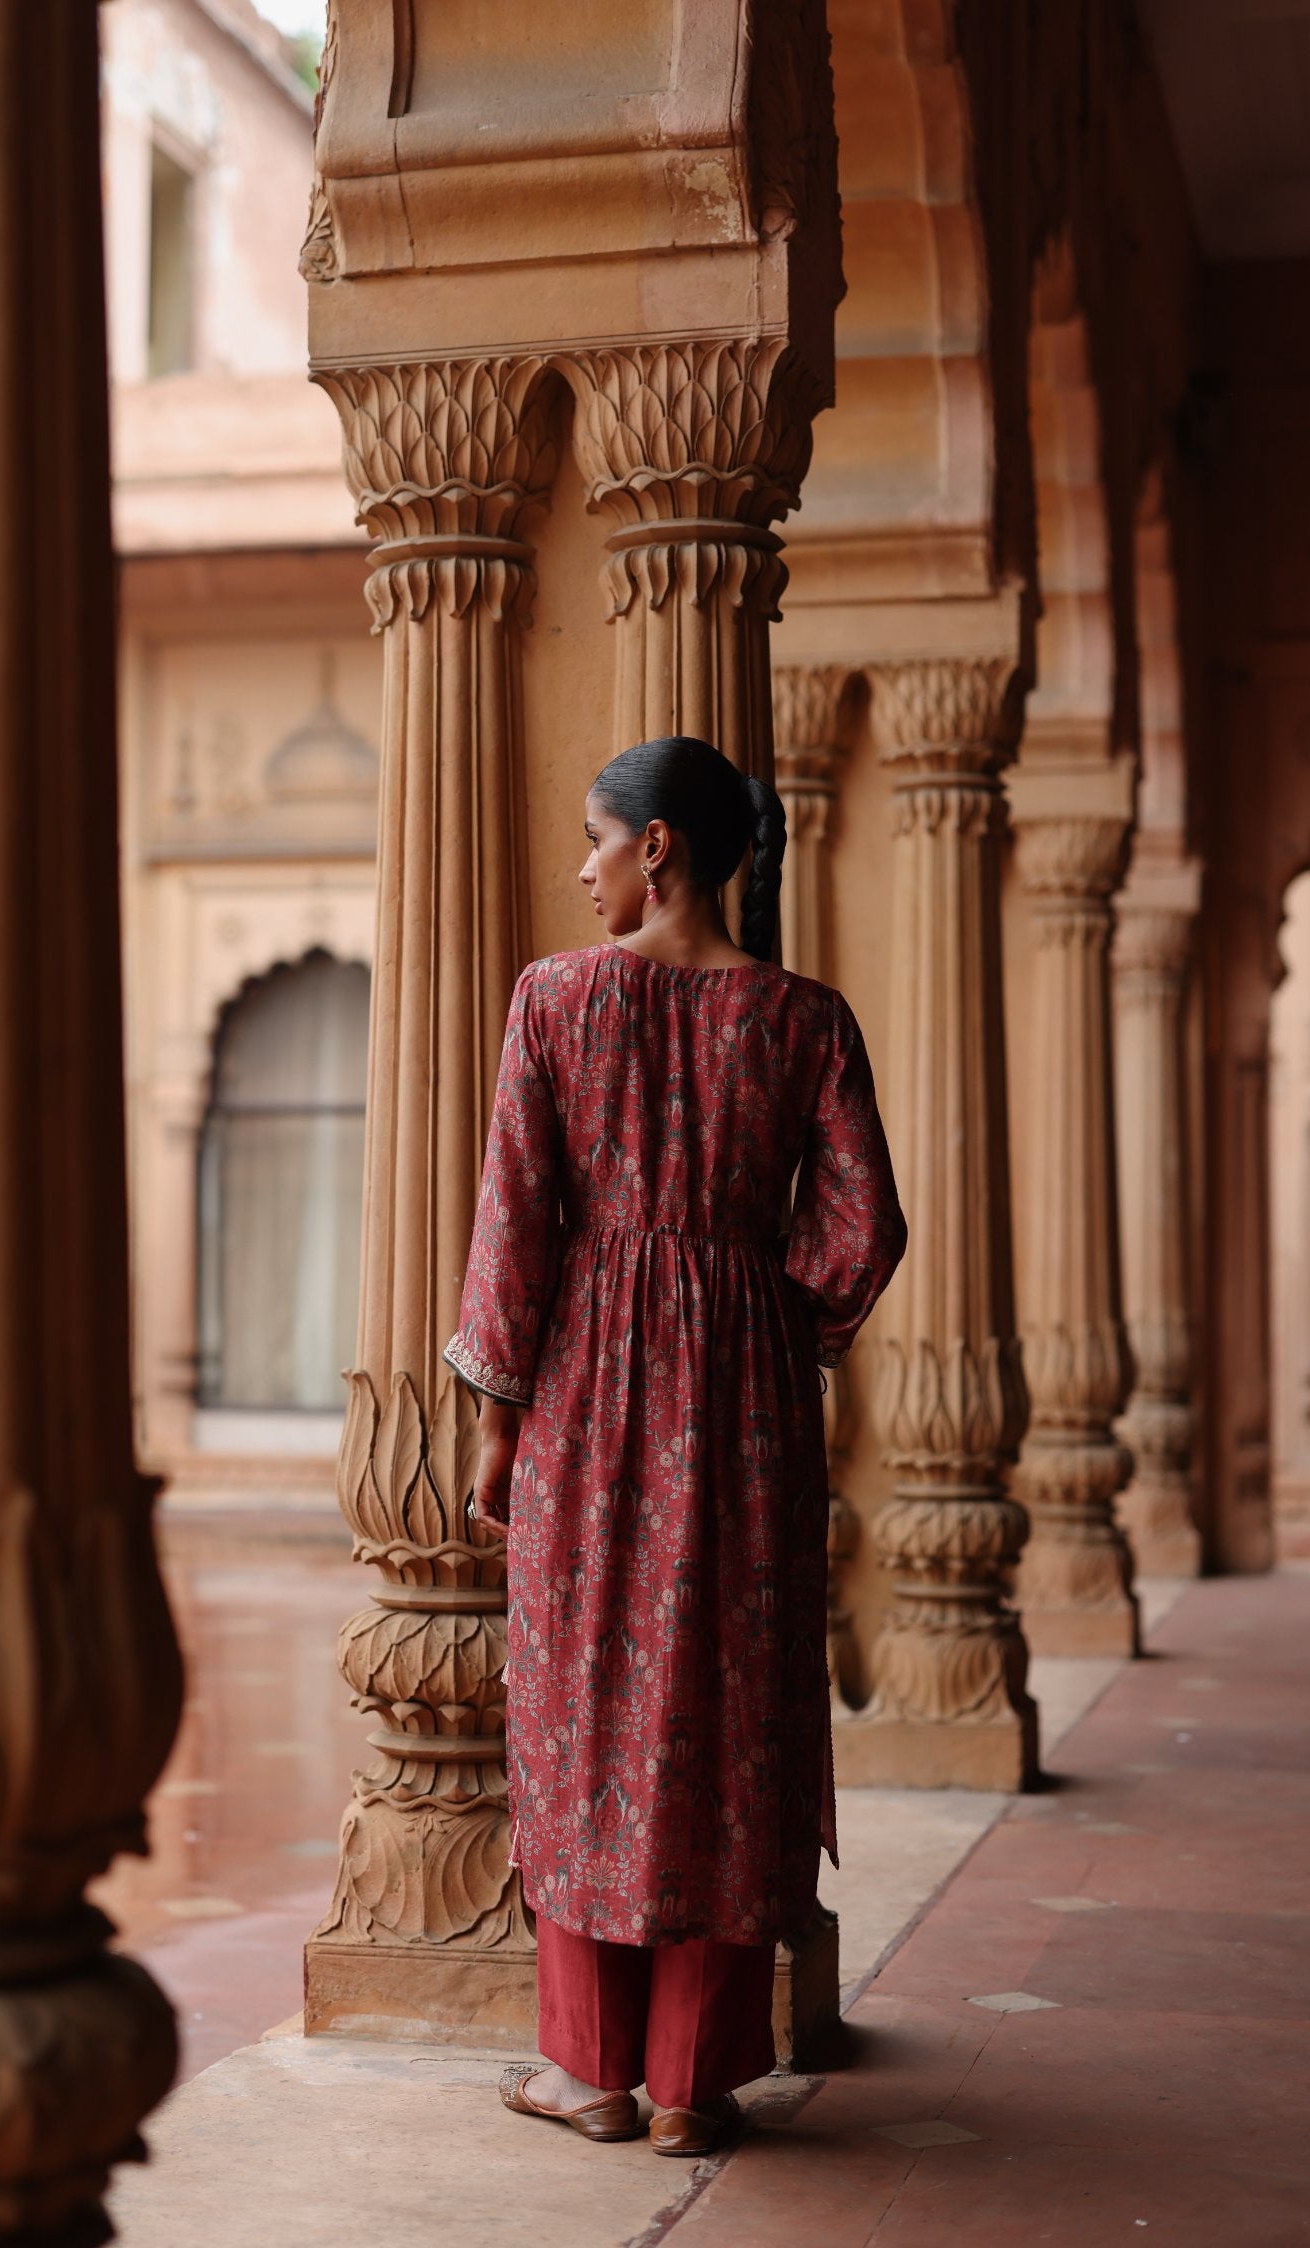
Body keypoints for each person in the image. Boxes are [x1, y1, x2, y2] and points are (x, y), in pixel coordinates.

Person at [443, 735, 907, 2155]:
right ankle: (694, 2084)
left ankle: (587, 2068)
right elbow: (864, 1231)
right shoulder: (804, 1020)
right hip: (749, 1400)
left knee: (585, 1702)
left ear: (660, 849)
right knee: (725, 1702)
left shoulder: (555, 1004)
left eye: (596, 837)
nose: (580, 867)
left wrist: (495, 1418)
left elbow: (517, 1226)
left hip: (589, 1394)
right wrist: (775, 1328)